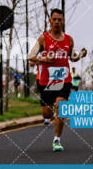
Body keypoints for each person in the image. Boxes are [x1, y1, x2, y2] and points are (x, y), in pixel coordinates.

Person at [28, 8, 87, 151]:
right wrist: (44, 58)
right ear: (50, 21)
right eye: (54, 19)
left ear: (63, 21)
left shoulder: (69, 39)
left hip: (64, 80)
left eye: (59, 19)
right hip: (46, 82)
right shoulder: (43, 39)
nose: (57, 22)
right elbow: (31, 56)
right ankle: (52, 114)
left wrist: (80, 55)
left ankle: (57, 140)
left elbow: (72, 58)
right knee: (46, 113)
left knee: (61, 107)